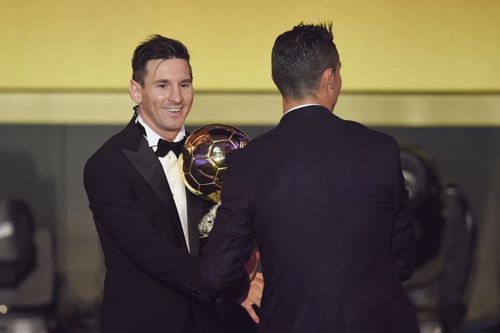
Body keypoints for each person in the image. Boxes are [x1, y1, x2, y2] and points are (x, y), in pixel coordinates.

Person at [201, 23, 420, 333]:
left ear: (278, 79)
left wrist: (241, 287)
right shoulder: (380, 149)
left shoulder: (250, 162)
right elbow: (403, 255)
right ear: (329, 78)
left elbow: (219, 271)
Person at [84, 34, 261, 333]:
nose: (177, 98)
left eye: (184, 84)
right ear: (136, 91)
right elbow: (148, 249)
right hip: (145, 323)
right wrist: (233, 287)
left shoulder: (213, 154)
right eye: (162, 85)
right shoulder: (107, 164)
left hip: (213, 321)